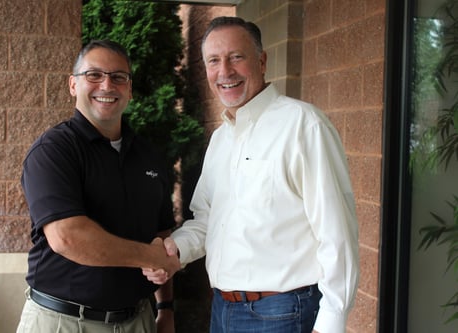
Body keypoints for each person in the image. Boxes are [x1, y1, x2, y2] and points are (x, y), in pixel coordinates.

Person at [143, 17, 359, 333]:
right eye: (214, 61)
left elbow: (336, 232)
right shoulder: (220, 140)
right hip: (223, 310)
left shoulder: (303, 125)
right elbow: (206, 220)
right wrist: (175, 249)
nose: (225, 71)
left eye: (237, 57)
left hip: (284, 313)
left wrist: (331, 322)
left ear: (261, 61)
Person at [16, 39, 180, 333]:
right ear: (73, 85)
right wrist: (150, 257)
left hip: (138, 320)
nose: (107, 85)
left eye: (119, 77)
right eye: (94, 75)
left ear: (129, 89)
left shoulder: (149, 156)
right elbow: (67, 237)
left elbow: (161, 235)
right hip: (64, 322)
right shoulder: (53, 151)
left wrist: (165, 307)